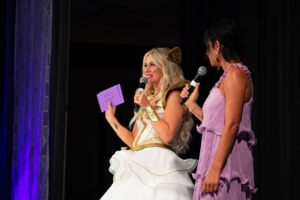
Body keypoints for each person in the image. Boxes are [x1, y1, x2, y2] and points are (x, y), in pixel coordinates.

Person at [101, 47, 198, 200]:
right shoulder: (147, 97)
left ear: (165, 67)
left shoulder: (174, 95)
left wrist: (147, 107)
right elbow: (134, 141)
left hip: (160, 164)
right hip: (138, 161)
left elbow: (167, 135)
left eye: (153, 64)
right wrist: (113, 121)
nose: (147, 69)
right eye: (145, 65)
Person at [180, 19, 257, 200]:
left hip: (225, 165)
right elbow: (216, 123)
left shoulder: (235, 74)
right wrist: (191, 105)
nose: (207, 54)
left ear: (217, 45)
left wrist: (215, 169)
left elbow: (232, 125)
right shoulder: (228, 76)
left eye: (208, 47)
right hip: (216, 159)